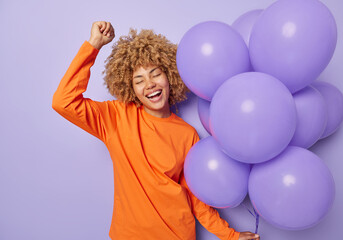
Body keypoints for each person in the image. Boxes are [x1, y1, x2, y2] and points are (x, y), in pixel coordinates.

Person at [52, 21, 260, 240]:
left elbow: (196, 198)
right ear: (130, 88)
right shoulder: (116, 117)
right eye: (139, 80)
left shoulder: (187, 134)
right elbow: (63, 101)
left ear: (169, 75)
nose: (149, 84)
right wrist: (94, 45)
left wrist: (231, 236)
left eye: (155, 74)